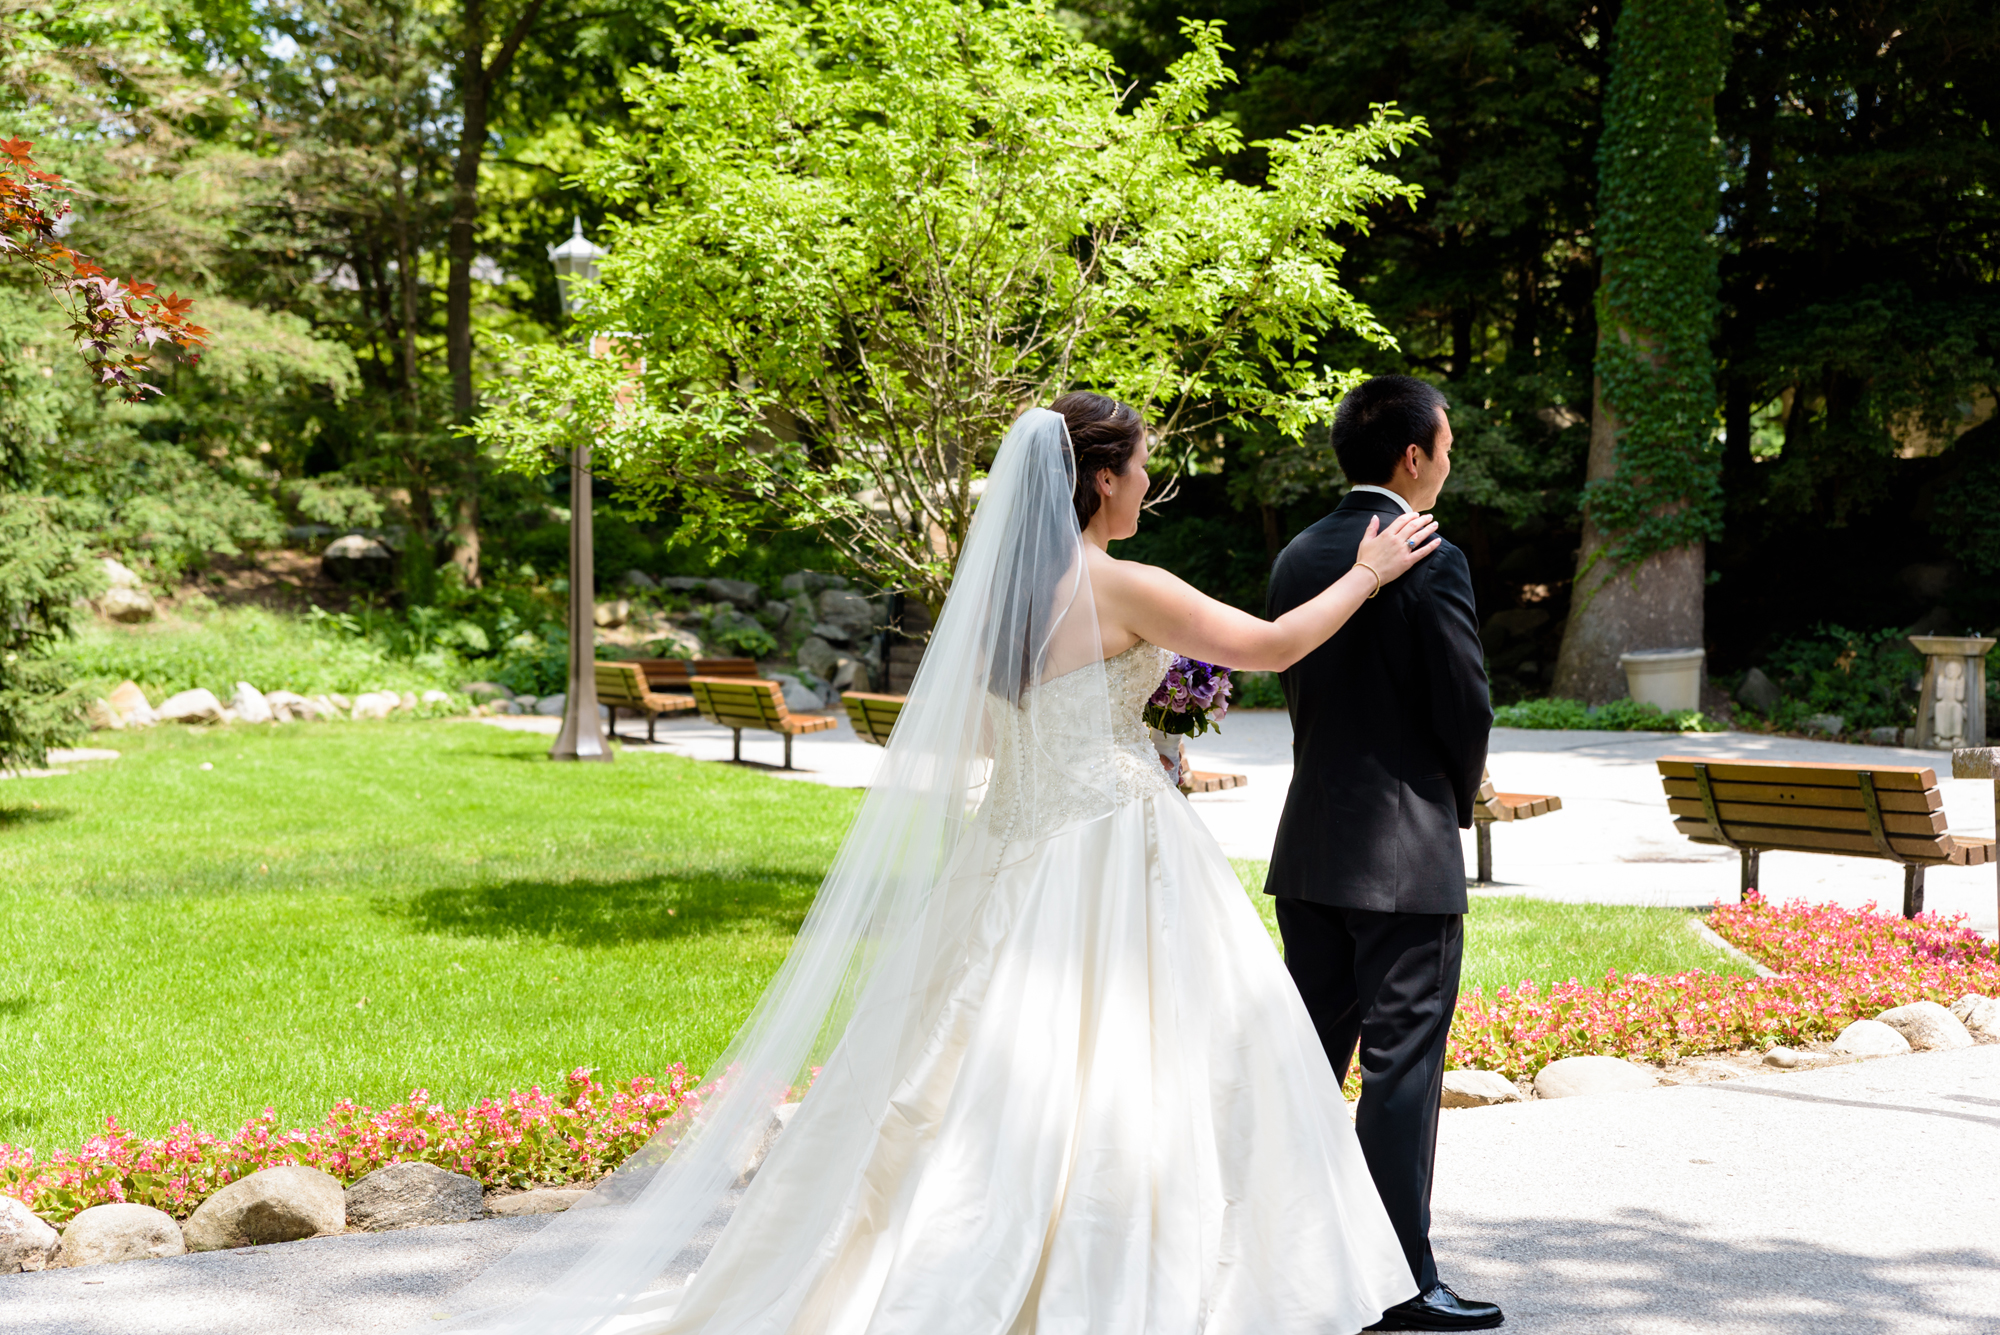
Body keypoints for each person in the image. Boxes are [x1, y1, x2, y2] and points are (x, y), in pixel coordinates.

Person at [424, 394, 1441, 1335]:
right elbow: (1266, 647)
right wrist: (1368, 571)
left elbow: (1011, 739)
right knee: (1148, 1062)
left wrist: (1134, 730)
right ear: (1097, 480)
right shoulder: (1127, 585)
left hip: (1012, 846)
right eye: (1139, 469)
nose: (1145, 485)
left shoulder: (1001, 603)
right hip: (1113, 848)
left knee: (976, 1061)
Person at [1266, 375, 1500, 1332]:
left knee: (1307, 1068)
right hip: (1404, 859)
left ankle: (1285, 1264)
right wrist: (1461, 789)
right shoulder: (1429, 555)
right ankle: (1402, 1283)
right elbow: (1464, 700)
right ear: (1413, 456)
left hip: (1312, 847)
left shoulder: (1297, 553)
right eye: (1445, 445)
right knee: (1402, 1073)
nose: (1450, 460)